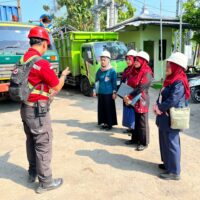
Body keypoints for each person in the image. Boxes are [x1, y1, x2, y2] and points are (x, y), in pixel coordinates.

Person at [20, 26, 70, 193]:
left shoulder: (23, 59)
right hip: (37, 111)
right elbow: (56, 86)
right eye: (47, 45)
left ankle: (32, 172)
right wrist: (63, 76)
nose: (46, 48)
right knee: (43, 143)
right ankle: (46, 182)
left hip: (25, 108)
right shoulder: (41, 63)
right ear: (43, 43)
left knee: (31, 141)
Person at [153, 52, 190, 180]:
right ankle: (168, 164)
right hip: (164, 116)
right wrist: (156, 104)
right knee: (164, 141)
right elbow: (162, 95)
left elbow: (173, 100)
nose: (167, 67)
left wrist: (160, 107)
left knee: (171, 142)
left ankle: (174, 171)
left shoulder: (179, 82)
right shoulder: (170, 80)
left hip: (171, 118)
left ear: (176, 66)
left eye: (169, 65)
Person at [124, 51, 153, 151]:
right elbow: (129, 83)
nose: (135, 62)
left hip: (142, 100)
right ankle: (135, 139)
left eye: (138, 60)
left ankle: (144, 142)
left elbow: (141, 87)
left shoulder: (147, 72)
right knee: (136, 121)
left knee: (142, 122)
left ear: (143, 61)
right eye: (135, 60)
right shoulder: (134, 71)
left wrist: (129, 96)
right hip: (134, 99)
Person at [93, 50, 117, 131]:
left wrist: (114, 92)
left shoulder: (112, 71)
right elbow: (96, 81)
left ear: (108, 60)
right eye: (101, 60)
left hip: (109, 93)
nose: (102, 62)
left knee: (108, 108)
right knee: (102, 108)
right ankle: (103, 122)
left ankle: (109, 124)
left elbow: (114, 82)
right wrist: (95, 90)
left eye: (104, 60)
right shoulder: (99, 70)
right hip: (101, 92)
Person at [121, 49, 137, 134]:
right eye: (126, 59)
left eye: (129, 59)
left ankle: (133, 127)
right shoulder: (126, 69)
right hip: (125, 92)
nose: (127, 61)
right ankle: (129, 127)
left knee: (132, 110)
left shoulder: (135, 70)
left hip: (132, 93)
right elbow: (123, 80)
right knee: (126, 109)